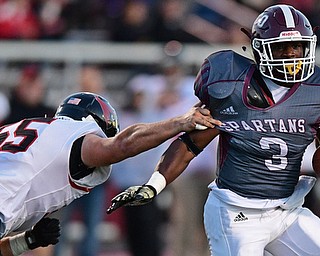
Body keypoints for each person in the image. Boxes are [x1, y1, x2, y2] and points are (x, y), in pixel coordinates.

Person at [107, 4, 320, 256]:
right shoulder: (230, 84)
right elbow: (190, 144)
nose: (291, 56)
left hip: (288, 210)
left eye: (297, 47)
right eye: (282, 48)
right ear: (260, 50)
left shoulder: (315, 90)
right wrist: (154, 185)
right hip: (237, 213)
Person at [0, 91, 218, 256]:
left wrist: (26, 241)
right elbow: (121, 145)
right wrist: (180, 122)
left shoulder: (27, 130)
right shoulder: (75, 134)